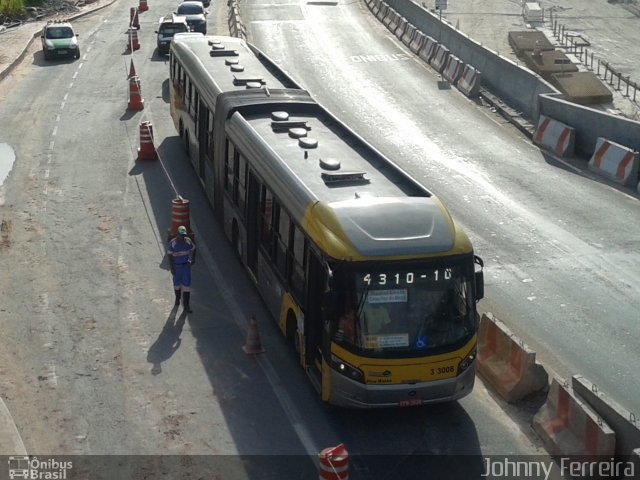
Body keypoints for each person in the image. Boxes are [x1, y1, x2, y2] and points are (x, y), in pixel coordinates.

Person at [167, 225, 196, 312]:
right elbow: (169, 256)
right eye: (181, 235)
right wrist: (172, 268)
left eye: (184, 235)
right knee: (177, 285)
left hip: (185, 266)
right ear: (177, 234)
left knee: (186, 286)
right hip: (176, 266)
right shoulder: (173, 243)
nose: (182, 237)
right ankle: (177, 298)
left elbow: (194, 249)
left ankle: (186, 305)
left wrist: (192, 260)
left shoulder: (188, 241)